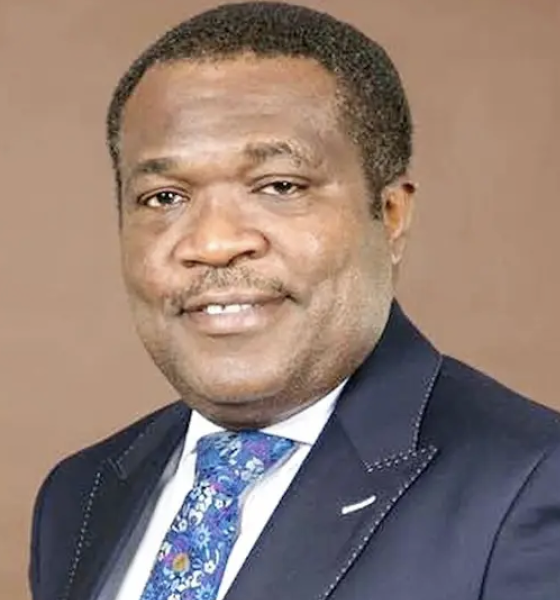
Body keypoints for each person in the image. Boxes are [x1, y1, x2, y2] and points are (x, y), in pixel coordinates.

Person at [29, 3, 560, 600]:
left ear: (391, 216)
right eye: (164, 197)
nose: (214, 243)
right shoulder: (79, 496)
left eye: (280, 186)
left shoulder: (534, 488)